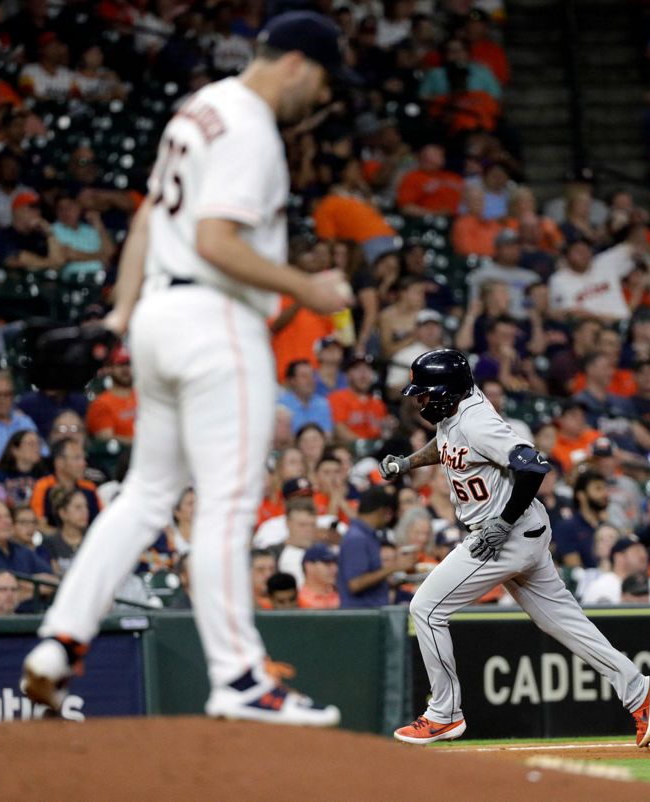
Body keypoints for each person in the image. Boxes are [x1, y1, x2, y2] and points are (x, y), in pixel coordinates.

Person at [24, 12, 352, 728]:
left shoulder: (195, 111)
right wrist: (309, 288)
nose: (321, 97)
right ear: (297, 63)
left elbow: (147, 220)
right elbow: (214, 240)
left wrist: (117, 315)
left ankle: (58, 642)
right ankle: (238, 675)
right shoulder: (252, 126)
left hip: (156, 320)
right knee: (229, 505)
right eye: (322, 79)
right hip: (216, 324)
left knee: (146, 495)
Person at [379, 349, 650, 746]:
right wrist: (409, 463)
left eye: (425, 394)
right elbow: (447, 446)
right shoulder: (457, 411)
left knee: (425, 608)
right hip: (522, 529)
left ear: (446, 391)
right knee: (561, 621)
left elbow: (533, 465)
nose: (421, 401)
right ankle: (637, 689)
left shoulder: (477, 422)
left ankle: (444, 714)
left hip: (505, 535)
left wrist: (502, 522)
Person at [336, 486, 406, 607]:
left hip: (368, 613)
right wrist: (395, 566)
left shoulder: (367, 535)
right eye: (389, 513)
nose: (389, 518)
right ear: (381, 511)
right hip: (360, 617)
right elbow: (355, 584)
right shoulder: (356, 538)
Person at [328, 353, 389, 443]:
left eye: (368, 369)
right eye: (358, 369)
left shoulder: (378, 403)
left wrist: (388, 430)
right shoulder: (337, 398)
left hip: (375, 451)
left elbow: (382, 434)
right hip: (348, 450)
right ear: (348, 374)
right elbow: (339, 430)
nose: (363, 374)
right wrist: (364, 445)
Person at [85, 347, 137, 444]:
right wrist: (141, 443)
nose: (126, 369)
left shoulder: (142, 396)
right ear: (110, 368)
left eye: (129, 364)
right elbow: (106, 439)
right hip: (122, 457)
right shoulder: (101, 403)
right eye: (120, 364)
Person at [297, 543, 340, 609]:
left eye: (335, 563)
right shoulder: (295, 600)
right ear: (309, 566)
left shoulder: (341, 597)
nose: (335, 568)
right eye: (327, 563)